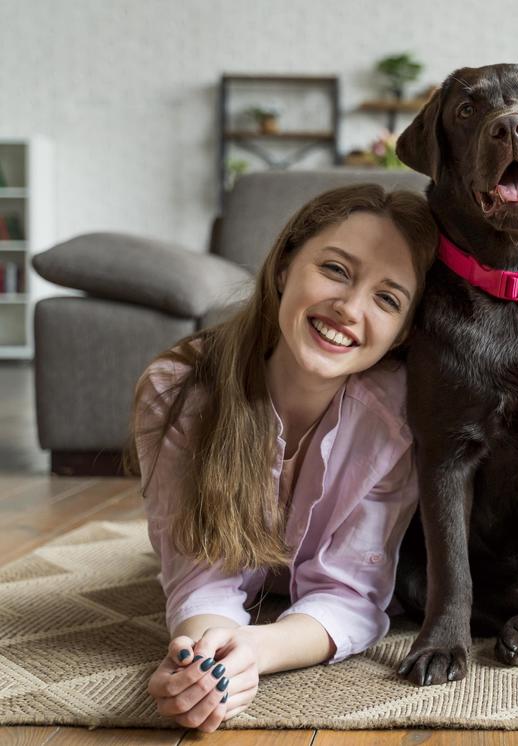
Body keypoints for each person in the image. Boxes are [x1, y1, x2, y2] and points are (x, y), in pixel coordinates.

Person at [128, 184, 436, 731]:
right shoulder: (178, 390)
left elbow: (349, 592)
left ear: (405, 331)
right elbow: (199, 573)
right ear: (283, 267)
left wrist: (253, 651)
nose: (349, 307)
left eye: (387, 299)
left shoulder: (400, 418)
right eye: (336, 270)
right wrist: (201, 661)